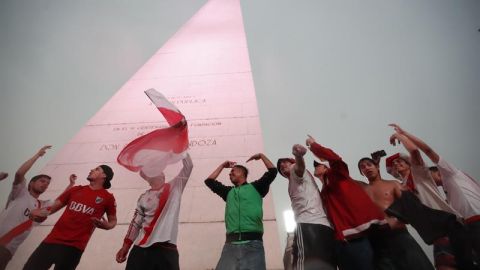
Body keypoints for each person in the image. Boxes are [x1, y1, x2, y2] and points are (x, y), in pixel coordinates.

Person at [386, 125, 476, 270]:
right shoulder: (401, 188)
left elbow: (414, 150)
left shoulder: (419, 173)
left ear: (408, 163)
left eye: (399, 160)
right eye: (393, 164)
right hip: (436, 236)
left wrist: (399, 136)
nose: (396, 163)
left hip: (451, 227)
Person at [305, 135, 386, 270]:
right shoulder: (324, 191)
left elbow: (335, 159)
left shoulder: (338, 174)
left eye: (317, 164)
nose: (315, 166)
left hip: (358, 234)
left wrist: (314, 146)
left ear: (326, 168)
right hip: (341, 239)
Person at [23, 164, 117, 270]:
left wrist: (107, 226)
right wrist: (39, 212)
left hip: (74, 248)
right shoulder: (75, 190)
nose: (91, 170)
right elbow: (53, 207)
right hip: (51, 241)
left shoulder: (108, 198)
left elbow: (113, 221)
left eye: (96, 169)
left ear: (104, 175)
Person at [0, 146, 74, 270]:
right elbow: (19, 173)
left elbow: (60, 201)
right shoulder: (20, 193)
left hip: (7, 251)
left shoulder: (43, 205)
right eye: (42, 180)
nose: (45, 184)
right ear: (31, 183)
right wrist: (38, 155)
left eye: (47, 183)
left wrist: (71, 184)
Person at [116, 154, 193, 270]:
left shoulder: (175, 186)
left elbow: (189, 166)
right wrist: (125, 246)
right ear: (147, 177)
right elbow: (135, 224)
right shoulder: (143, 197)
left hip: (166, 249)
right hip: (140, 249)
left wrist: (182, 148)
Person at [358, 157, 434, 270]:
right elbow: (342, 176)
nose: (366, 168)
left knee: (418, 266)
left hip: (398, 234)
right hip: (376, 240)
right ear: (361, 172)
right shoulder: (361, 188)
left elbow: (412, 206)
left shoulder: (393, 184)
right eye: (362, 167)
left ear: (377, 166)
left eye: (369, 164)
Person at [204, 153, 277, 270]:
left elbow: (273, 171)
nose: (230, 173)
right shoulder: (228, 192)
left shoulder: (257, 187)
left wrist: (262, 156)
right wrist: (223, 166)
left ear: (243, 173)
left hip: (253, 245)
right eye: (229, 172)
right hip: (230, 246)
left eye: (234, 171)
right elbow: (209, 181)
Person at [277, 144, 336, 270]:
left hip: (307, 225)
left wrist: (298, 155)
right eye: (280, 167)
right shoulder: (300, 179)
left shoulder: (295, 170)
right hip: (325, 228)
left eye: (285, 163)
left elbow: (299, 167)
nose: (282, 166)